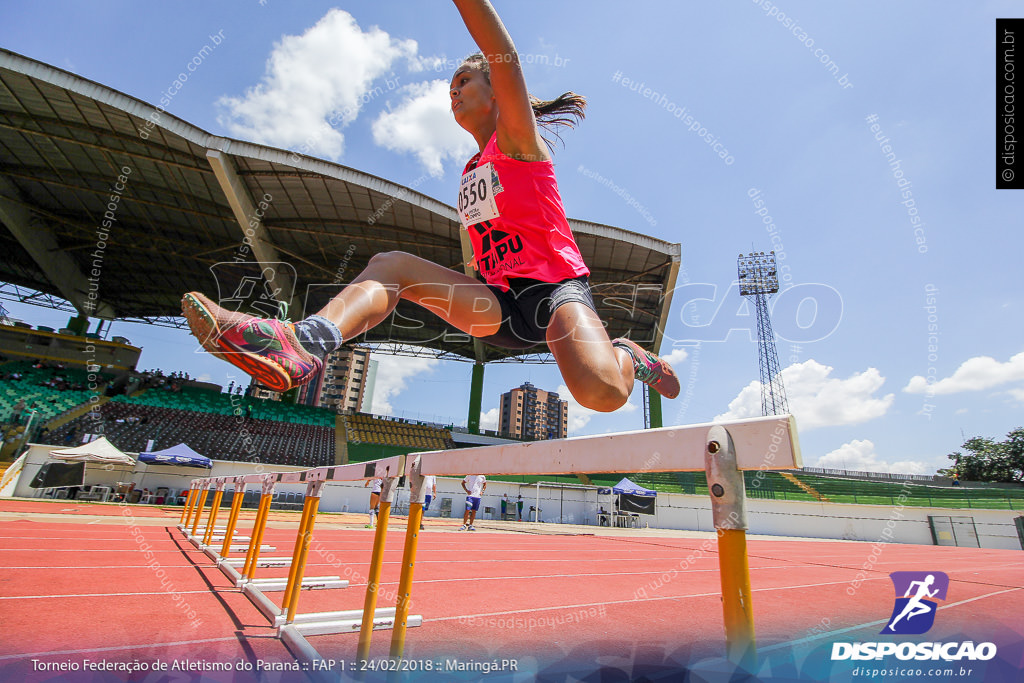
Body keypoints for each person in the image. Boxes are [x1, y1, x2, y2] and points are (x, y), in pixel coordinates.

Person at [179, 0, 679, 415]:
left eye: (464, 81)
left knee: (603, 395)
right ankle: (303, 343)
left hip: (554, 293)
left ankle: (627, 355)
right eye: (450, 89)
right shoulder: (469, 170)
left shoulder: (519, 142)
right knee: (390, 266)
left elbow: (502, 52)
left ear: (496, 92)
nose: (454, 92)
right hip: (498, 305)